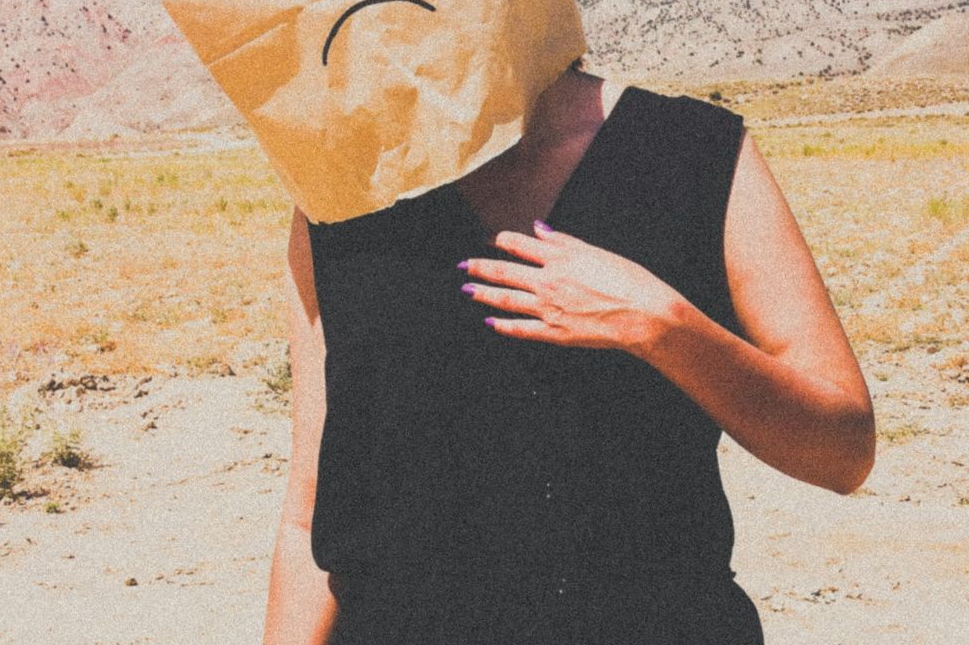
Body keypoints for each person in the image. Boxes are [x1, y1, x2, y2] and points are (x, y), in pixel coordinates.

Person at [261, 57, 875, 644]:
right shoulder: (341, 194)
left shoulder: (692, 150)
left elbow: (843, 452)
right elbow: (310, 521)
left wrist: (663, 327)